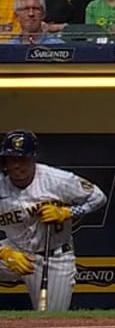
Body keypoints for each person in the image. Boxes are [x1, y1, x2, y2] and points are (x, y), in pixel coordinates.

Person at [0, 129, 108, 312]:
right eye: (12, 159)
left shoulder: (57, 180)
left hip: (53, 255)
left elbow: (98, 197)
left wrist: (67, 212)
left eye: (23, 159)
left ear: (33, 158)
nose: (18, 165)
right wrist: (4, 253)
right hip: (14, 250)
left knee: (49, 318)